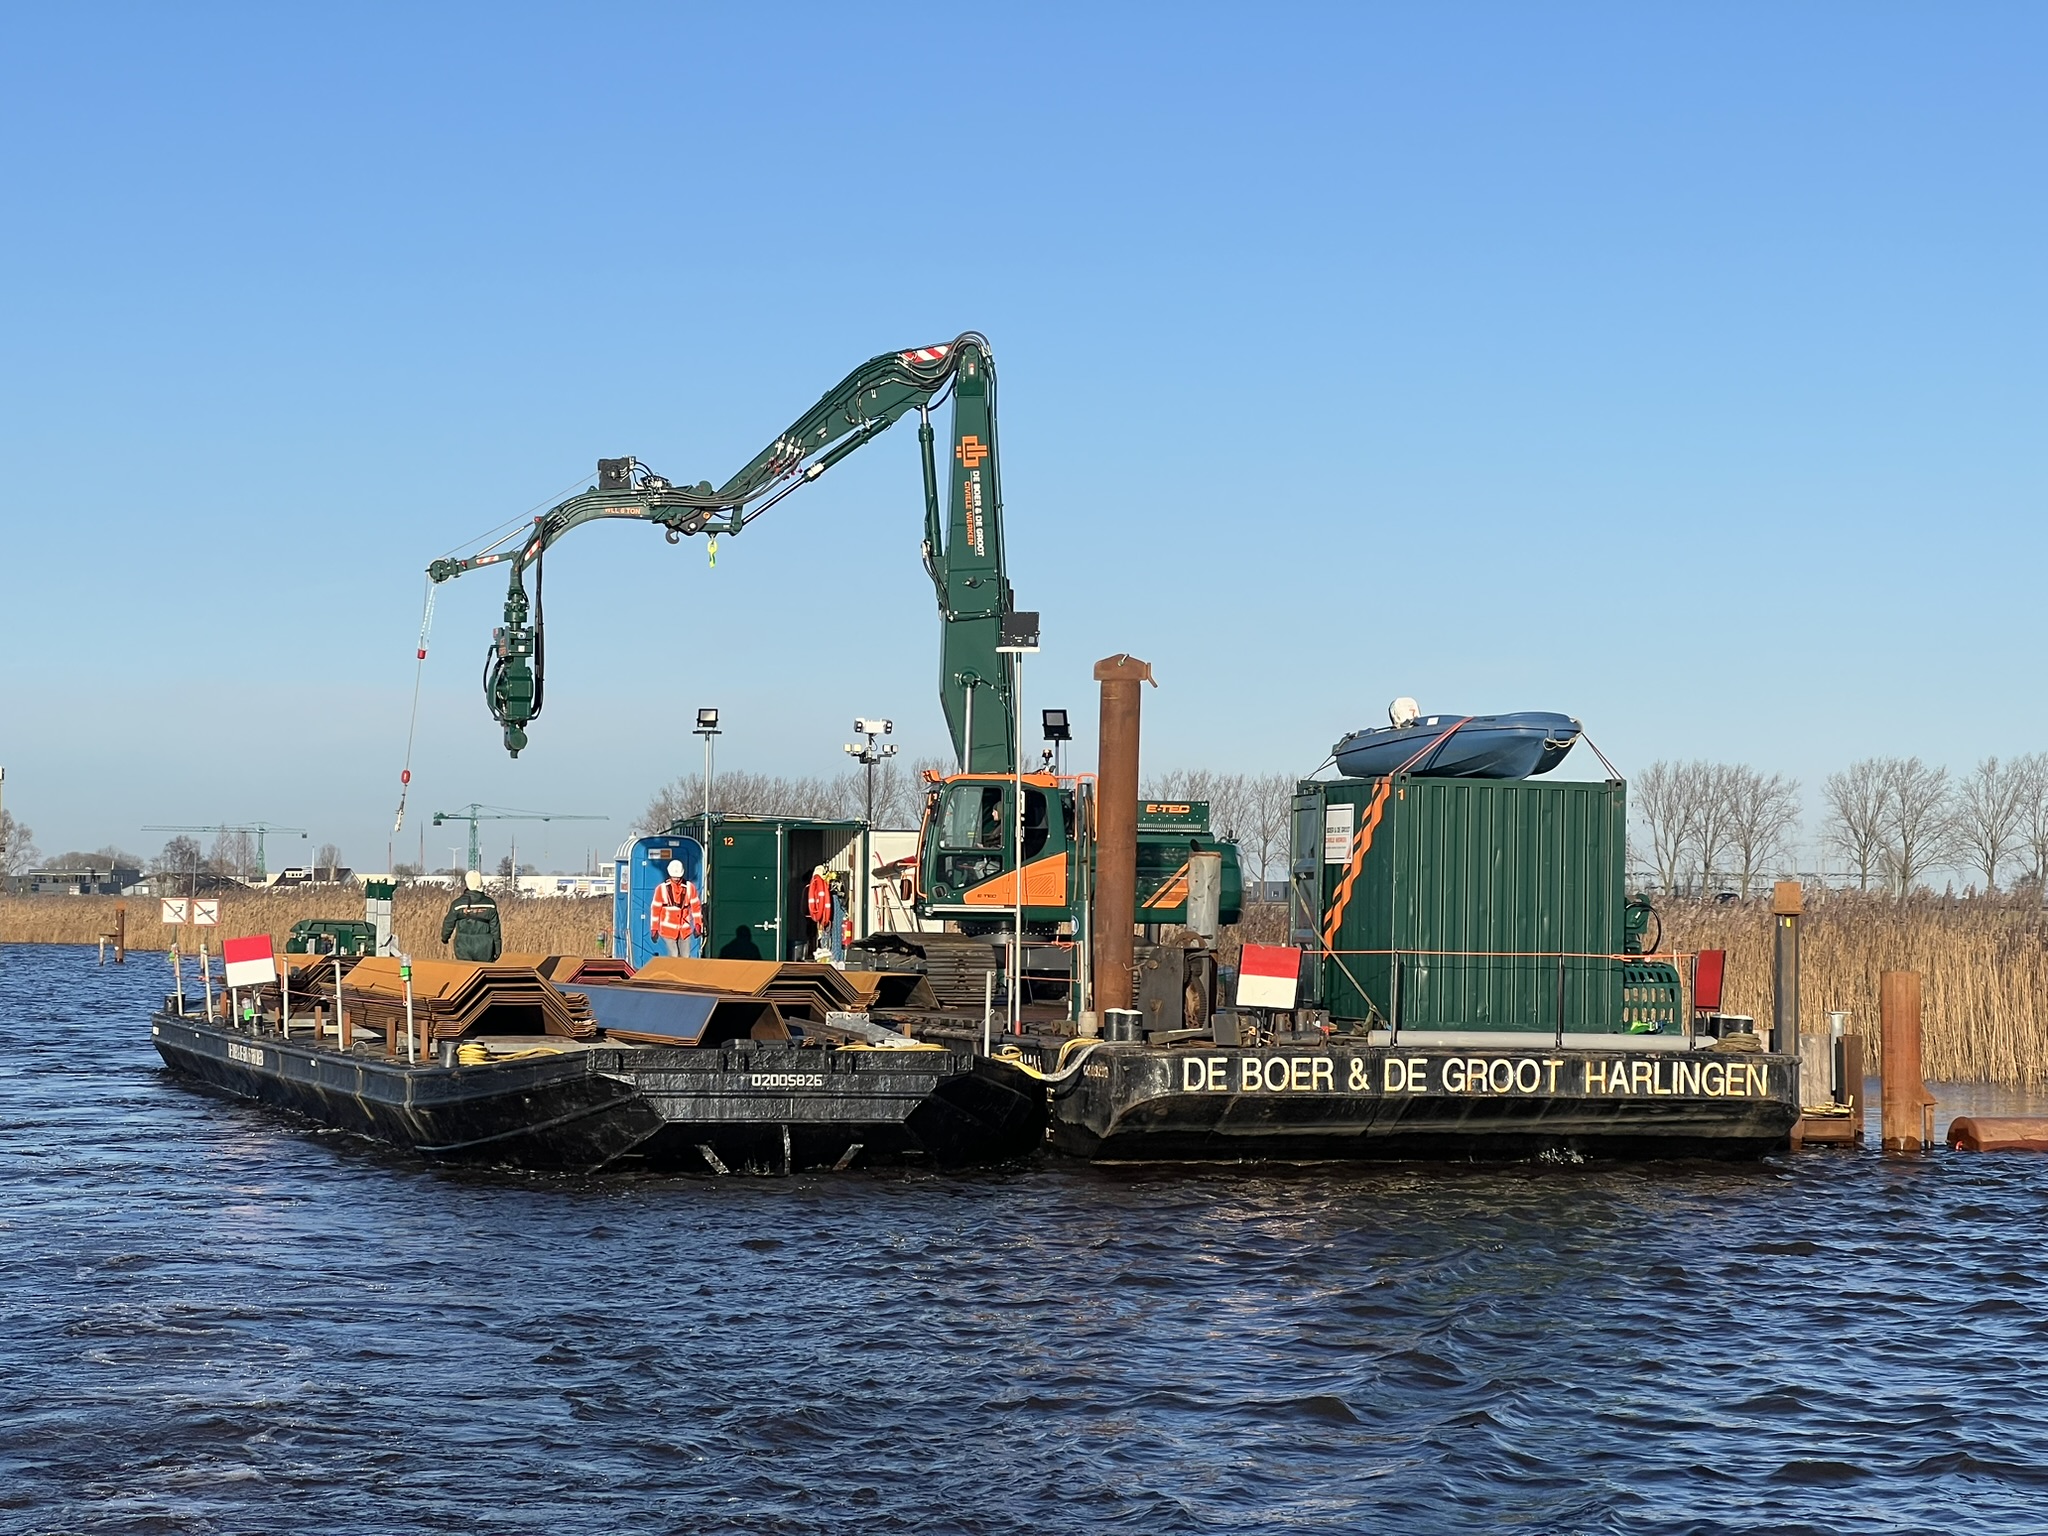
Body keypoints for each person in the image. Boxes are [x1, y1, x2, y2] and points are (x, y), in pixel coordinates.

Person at [441, 870, 502, 962]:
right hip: (485, 947)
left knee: (466, 972)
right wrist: (497, 948)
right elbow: (495, 928)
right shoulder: (490, 904)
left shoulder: (457, 904)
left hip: (463, 945)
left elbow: (449, 922)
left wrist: (445, 938)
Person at [651, 859, 703, 957]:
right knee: (673, 955)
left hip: (684, 930)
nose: (676, 879)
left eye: (678, 877)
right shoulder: (661, 889)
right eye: (674, 877)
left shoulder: (689, 888)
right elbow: (655, 910)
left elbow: (696, 908)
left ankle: (683, 972)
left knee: (685, 956)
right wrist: (654, 928)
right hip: (668, 930)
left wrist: (698, 924)